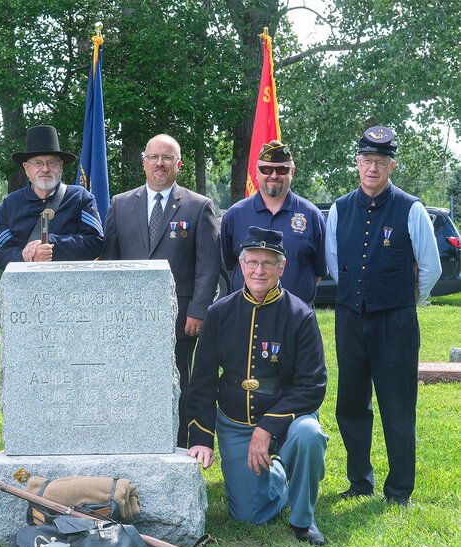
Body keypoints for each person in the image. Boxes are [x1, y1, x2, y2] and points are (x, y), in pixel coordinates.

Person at [186, 227, 328, 545]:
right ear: (241, 265)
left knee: (310, 435)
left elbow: (313, 385)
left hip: (289, 421)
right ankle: (278, 476)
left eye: (267, 262)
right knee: (250, 515)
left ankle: (303, 517)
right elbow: (203, 381)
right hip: (236, 423)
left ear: (282, 267)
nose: (259, 270)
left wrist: (267, 428)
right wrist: (202, 437)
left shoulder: (300, 315)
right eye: (252, 262)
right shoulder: (219, 313)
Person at [325, 126, 441, 506]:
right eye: (366, 161)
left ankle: (399, 489)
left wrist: (405, 301)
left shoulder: (411, 208)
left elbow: (430, 268)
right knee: (351, 402)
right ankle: (360, 480)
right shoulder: (340, 209)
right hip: (350, 318)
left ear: (391, 165)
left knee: (397, 404)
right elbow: (332, 263)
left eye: (379, 162)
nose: (372, 168)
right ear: (357, 164)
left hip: (396, 321)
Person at [101, 133, 220, 448]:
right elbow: (110, 263)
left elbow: (208, 266)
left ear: (178, 164)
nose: (160, 163)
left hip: (179, 319)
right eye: (154, 157)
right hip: (128, 319)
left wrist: (197, 311)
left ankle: (178, 447)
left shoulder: (199, 207)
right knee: (131, 384)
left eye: (167, 157)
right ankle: (134, 443)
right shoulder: (121, 204)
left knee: (178, 384)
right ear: (144, 162)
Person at [221, 140, 326, 303]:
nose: (274, 175)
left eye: (282, 169)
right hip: (246, 316)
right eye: (266, 169)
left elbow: (318, 270)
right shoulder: (234, 215)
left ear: (293, 172)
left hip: (296, 319)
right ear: (256, 172)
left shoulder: (312, 215)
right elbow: (231, 265)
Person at [0, 125, 103, 269]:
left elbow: (96, 242)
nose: (45, 169)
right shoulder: (10, 204)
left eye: (51, 162)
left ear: (61, 166)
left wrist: (49, 244)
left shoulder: (80, 197)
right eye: (38, 163)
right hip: (26, 287)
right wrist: (31, 256)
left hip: (72, 285)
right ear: (26, 168)